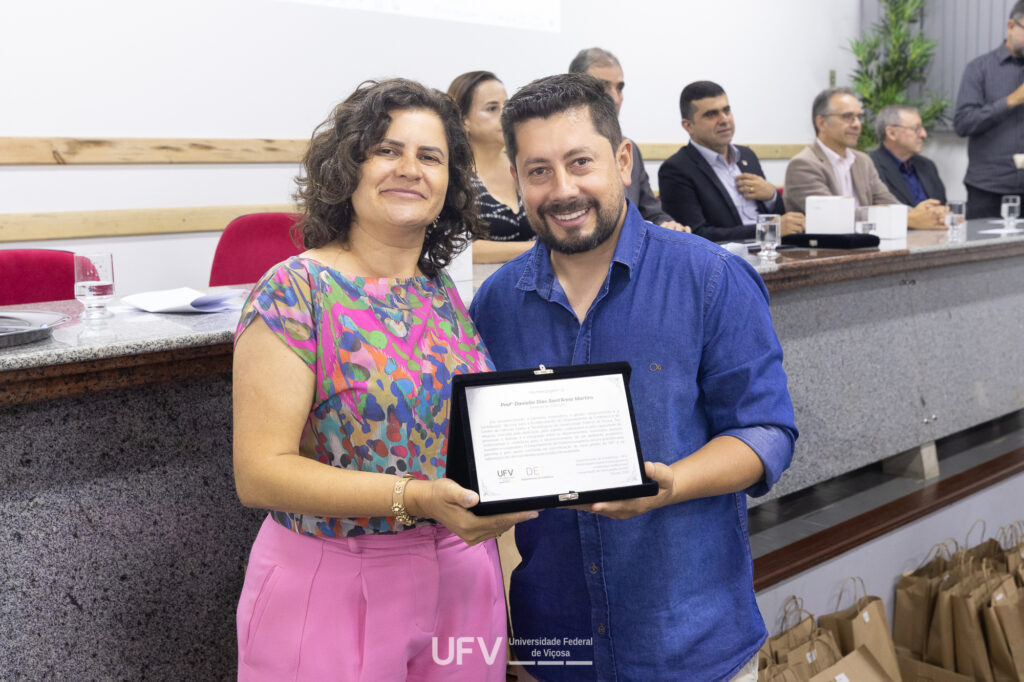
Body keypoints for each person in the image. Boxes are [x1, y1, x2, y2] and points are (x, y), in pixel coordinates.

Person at [470, 73, 797, 681]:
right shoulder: (494, 305)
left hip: (692, 647)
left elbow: (767, 432)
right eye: (538, 171)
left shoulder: (710, 279)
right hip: (555, 646)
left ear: (622, 161)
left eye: (580, 162)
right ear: (516, 179)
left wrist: (672, 484)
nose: (563, 189)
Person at [232, 78, 536, 681]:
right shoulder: (295, 290)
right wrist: (414, 498)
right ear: (349, 166)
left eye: (430, 156)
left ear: (451, 181)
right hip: (333, 582)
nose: (410, 169)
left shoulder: (441, 291)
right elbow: (260, 473)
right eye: (387, 150)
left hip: (463, 578)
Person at [658, 80, 805, 242]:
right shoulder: (676, 170)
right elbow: (696, 235)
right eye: (711, 114)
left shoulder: (747, 155)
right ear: (688, 126)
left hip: (774, 249)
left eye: (726, 110)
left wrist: (771, 196)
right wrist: (768, 230)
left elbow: (782, 220)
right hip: (727, 255)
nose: (724, 119)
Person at [784, 87, 946, 229]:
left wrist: (930, 215)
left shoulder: (862, 161)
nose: (857, 124)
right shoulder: (804, 164)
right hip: (823, 250)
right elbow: (835, 218)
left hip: (867, 245)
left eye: (859, 117)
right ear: (821, 123)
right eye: (847, 117)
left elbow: (890, 204)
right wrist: (908, 219)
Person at [568, 47, 689, 232]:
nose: (615, 98)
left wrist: (667, 225)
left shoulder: (628, 148)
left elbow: (651, 213)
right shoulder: (559, 150)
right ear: (574, 91)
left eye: (619, 88)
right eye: (603, 87)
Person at [448, 70, 535, 263]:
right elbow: (458, 248)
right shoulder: (455, 175)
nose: (506, 115)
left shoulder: (523, 164)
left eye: (507, 106)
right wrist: (536, 249)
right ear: (463, 120)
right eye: (492, 108)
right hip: (482, 281)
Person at [954, 0, 1024, 219]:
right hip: (988, 188)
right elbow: (963, 123)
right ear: (1011, 26)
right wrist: (1011, 100)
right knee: (980, 241)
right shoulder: (979, 69)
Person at [870, 104, 948, 215]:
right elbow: (878, 214)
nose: (924, 134)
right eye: (916, 129)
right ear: (892, 133)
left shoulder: (927, 165)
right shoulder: (871, 167)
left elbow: (942, 207)